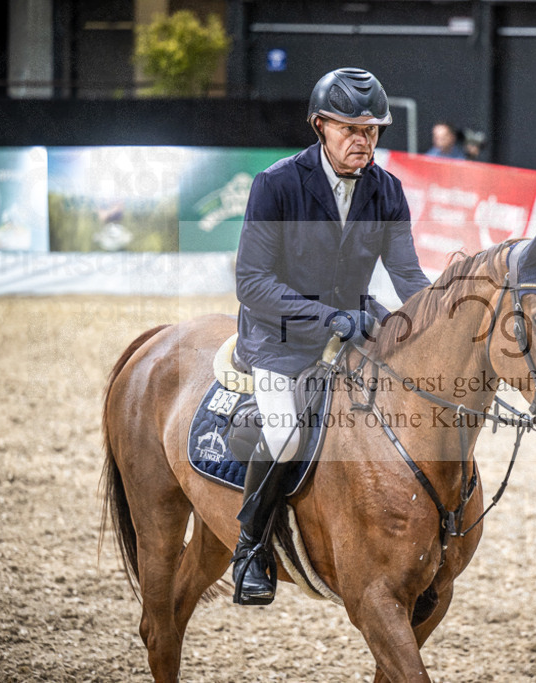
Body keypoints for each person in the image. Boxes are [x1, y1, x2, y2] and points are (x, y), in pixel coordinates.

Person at [230, 67, 431, 605]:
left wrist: (441, 320)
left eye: (372, 131)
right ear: (320, 125)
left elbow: (408, 275)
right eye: (351, 130)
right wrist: (329, 319)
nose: (363, 141)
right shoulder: (276, 184)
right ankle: (251, 547)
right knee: (286, 434)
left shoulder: (386, 190)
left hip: (353, 330)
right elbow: (251, 281)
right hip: (280, 337)